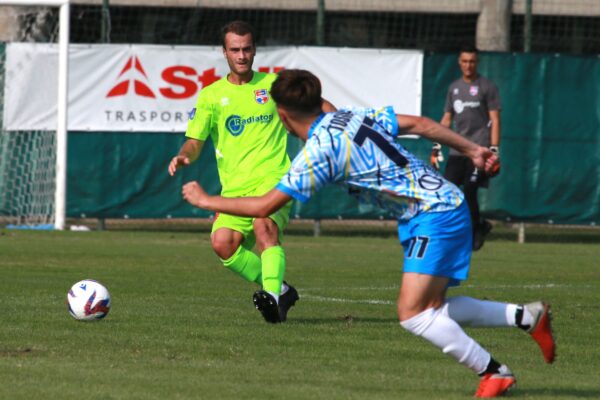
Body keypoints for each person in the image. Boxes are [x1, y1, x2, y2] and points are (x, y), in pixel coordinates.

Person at [181, 69, 555, 398]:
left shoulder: (319, 153)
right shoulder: (347, 118)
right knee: (432, 309)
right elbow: (421, 125)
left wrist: (205, 200)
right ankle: (526, 317)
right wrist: (473, 149)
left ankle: (494, 372)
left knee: (412, 315)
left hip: (433, 212)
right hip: (436, 205)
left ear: (281, 115)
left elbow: (264, 205)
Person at [168, 21, 303, 323]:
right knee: (223, 244)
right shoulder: (211, 96)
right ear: (224, 52)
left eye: (247, 49)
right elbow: (194, 141)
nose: (242, 55)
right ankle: (281, 290)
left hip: (273, 181)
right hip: (235, 190)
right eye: (235, 50)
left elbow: (308, 111)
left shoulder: (273, 86)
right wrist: (183, 156)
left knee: (263, 227)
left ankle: (272, 300)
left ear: (254, 50)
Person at [437, 45, 501, 251]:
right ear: (459, 62)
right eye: (464, 61)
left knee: (470, 191)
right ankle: (457, 231)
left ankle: (475, 230)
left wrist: (494, 150)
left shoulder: (487, 86)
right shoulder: (454, 88)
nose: (468, 65)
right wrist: (436, 145)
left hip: (478, 151)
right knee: (448, 192)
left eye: (472, 61)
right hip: (457, 150)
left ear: (477, 62)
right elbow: (446, 119)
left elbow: (495, 120)